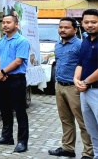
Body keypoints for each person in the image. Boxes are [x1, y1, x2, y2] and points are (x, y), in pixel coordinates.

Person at [49, 17, 93, 158]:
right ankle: (68, 148)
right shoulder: (58, 45)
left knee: (83, 121)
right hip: (59, 86)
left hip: (75, 88)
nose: (62, 30)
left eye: (66, 27)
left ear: (75, 29)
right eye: (61, 27)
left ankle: (88, 152)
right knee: (65, 119)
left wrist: (84, 83)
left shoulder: (80, 45)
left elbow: (87, 66)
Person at [0, 14, 30, 153]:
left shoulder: (22, 41)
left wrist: (3, 72)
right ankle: (7, 137)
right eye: (4, 23)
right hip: (3, 79)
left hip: (16, 79)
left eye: (8, 22)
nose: (5, 25)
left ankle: (22, 142)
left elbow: (19, 61)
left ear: (16, 25)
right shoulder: (1, 41)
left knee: (19, 111)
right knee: (5, 109)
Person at [74, 9, 98, 159]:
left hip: (95, 90)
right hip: (85, 91)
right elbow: (80, 63)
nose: (90, 25)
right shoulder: (86, 40)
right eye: (87, 22)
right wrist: (76, 79)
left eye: (94, 22)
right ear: (82, 23)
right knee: (91, 128)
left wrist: (85, 81)